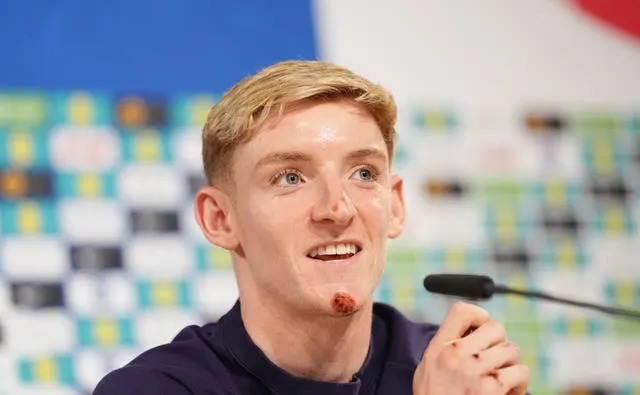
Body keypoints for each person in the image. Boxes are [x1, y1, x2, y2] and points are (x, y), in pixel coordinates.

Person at [94, 60, 530, 394]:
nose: (337, 209)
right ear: (220, 219)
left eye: (363, 173)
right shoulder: (159, 388)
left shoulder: (452, 369)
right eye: (290, 178)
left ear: (395, 205)